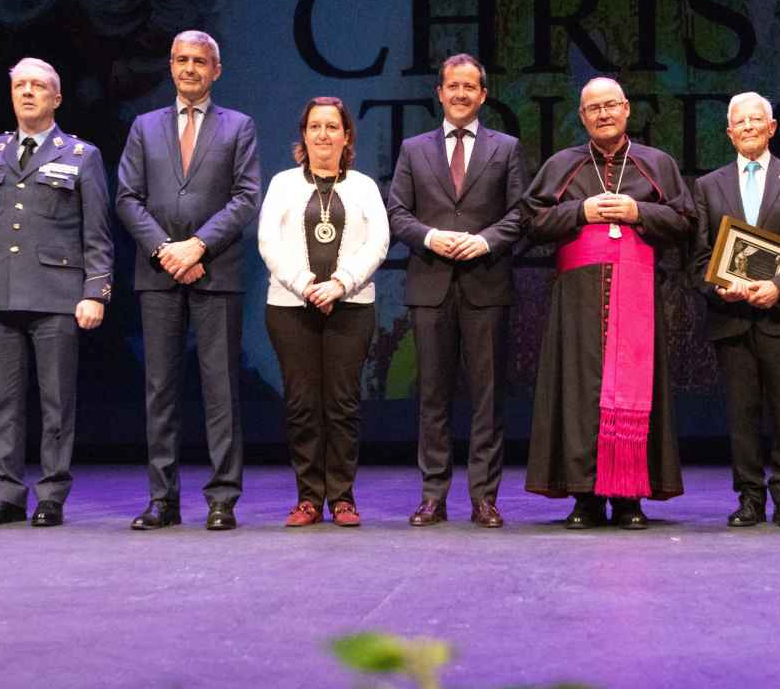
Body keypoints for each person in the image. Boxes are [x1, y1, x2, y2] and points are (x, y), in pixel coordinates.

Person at [520, 77, 694, 529]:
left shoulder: (657, 163)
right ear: (582, 116)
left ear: (626, 110)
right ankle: (586, 498)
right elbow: (532, 220)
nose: (602, 114)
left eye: (610, 105)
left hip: (637, 290)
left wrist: (639, 212)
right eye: (593, 108)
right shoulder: (564, 164)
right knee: (579, 391)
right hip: (578, 295)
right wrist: (582, 211)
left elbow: (685, 219)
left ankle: (630, 497)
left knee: (637, 392)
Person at [0, 58, 113, 529]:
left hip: (57, 292)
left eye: (38, 86)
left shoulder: (81, 154)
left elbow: (97, 232)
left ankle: (51, 495)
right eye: (20, 85)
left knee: (56, 401)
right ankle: (6, 494)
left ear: (56, 98)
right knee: (1, 401)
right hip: (0, 290)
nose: (27, 93)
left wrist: (96, 293)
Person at [116, 31, 261, 531]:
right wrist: (165, 251)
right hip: (158, 275)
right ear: (171, 66)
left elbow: (246, 197)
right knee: (160, 390)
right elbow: (127, 198)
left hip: (215, 272)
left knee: (221, 389)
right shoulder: (144, 126)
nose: (190, 69)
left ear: (216, 70)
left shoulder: (238, 127)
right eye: (181, 60)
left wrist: (197, 246)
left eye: (200, 61)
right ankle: (163, 499)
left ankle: (222, 498)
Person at [387, 53, 524, 528]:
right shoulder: (413, 149)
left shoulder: (505, 148)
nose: (461, 94)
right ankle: (433, 496)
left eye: (470, 87)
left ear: (483, 95)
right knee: (432, 397)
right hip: (431, 286)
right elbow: (398, 212)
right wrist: (429, 236)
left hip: (486, 285)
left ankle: (484, 497)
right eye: (453, 86)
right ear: (440, 93)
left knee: (488, 399)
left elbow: (519, 214)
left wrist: (484, 240)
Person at [692, 92, 780, 529]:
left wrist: (778, 287)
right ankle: (749, 498)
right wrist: (721, 287)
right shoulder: (708, 186)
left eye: (758, 120)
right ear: (730, 133)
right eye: (741, 122)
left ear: (772, 128)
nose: (750, 126)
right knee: (742, 415)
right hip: (732, 319)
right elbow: (698, 259)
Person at [259, 97, 389, 527]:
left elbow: (379, 242)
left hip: (350, 306)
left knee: (342, 404)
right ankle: (309, 497)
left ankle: (343, 497)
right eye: (315, 126)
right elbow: (267, 242)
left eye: (332, 127)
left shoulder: (364, 186)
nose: (323, 134)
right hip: (291, 307)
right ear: (304, 135)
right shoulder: (283, 184)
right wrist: (305, 284)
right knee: (301, 404)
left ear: (346, 136)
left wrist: (341, 283)